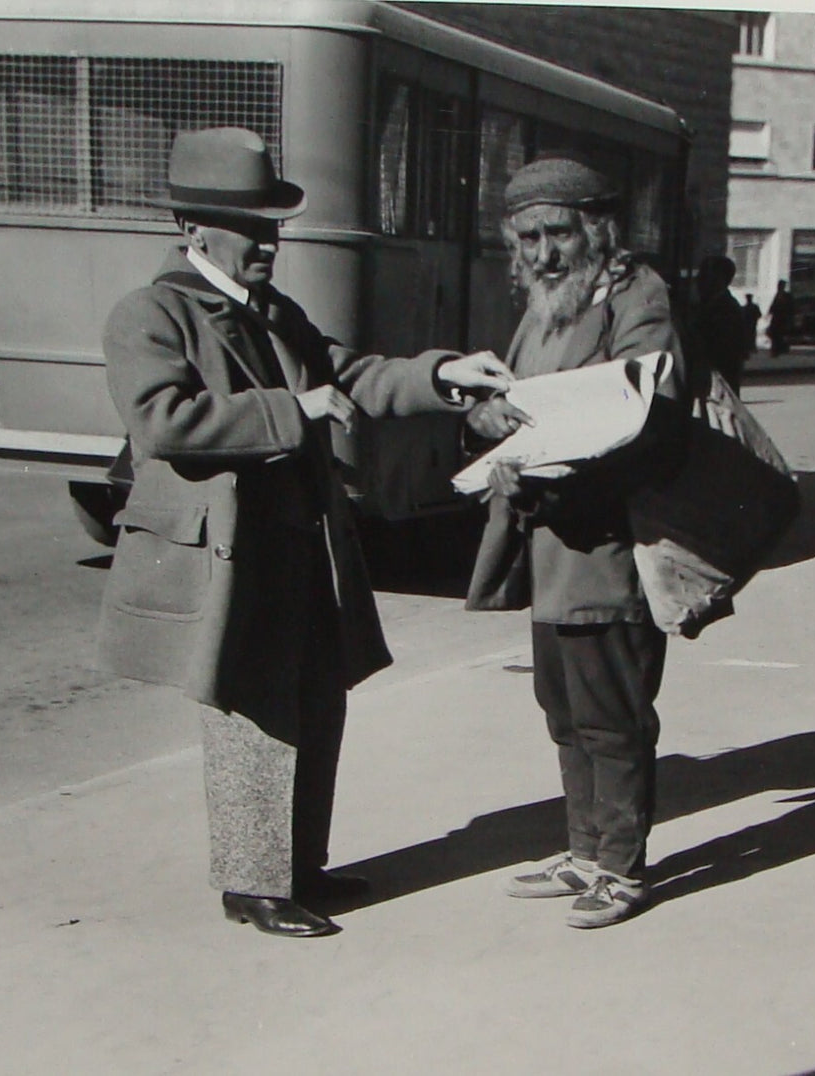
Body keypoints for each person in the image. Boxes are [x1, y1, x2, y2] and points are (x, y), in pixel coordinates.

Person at [96, 127, 513, 938]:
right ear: (196, 232)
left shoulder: (273, 314)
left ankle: (299, 868)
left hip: (303, 544)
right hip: (229, 552)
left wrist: (440, 375)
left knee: (317, 699)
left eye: (273, 227)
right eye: (252, 228)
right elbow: (163, 421)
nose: (269, 243)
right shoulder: (150, 314)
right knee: (253, 712)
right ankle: (252, 885)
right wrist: (293, 410)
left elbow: (349, 373)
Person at [463, 153, 687, 929]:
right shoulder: (543, 304)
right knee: (561, 709)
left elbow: (647, 409)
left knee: (611, 715)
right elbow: (509, 395)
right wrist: (485, 418)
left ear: (596, 227)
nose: (541, 253)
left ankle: (622, 870)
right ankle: (585, 851)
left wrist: (551, 434)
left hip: (608, 545)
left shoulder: (636, 294)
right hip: (549, 544)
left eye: (556, 233)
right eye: (526, 239)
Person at [688, 254, 750, 392]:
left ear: (720, 279)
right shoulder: (704, 305)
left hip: (716, 389)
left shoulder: (727, 310)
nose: (698, 280)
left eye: (704, 275)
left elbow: (723, 355)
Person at [766, 280, 794, 356]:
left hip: (782, 318)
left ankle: (781, 349)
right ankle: (775, 350)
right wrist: (769, 313)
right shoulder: (777, 295)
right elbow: (773, 305)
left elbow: (790, 307)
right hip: (776, 318)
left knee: (781, 335)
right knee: (775, 334)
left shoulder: (786, 296)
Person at [742, 292, 763, 357]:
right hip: (751, 324)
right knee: (751, 336)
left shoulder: (745, 308)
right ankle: (751, 348)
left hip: (749, 324)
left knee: (750, 336)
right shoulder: (752, 307)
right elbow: (759, 315)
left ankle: (750, 348)